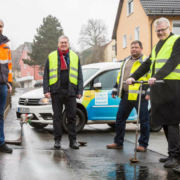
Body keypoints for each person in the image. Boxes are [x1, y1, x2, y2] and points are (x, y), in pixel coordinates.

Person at [126, 17, 180, 168]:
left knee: (172, 122)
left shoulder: (177, 40)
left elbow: (173, 61)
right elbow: (148, 64)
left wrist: (156, 76)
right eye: (158, 31)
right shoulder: (158, 46)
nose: (160, 33)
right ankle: (174, 153)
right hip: (160, 88)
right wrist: (132, 76)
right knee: (165, 122)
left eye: (163, 30)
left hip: (172, 86)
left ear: (169, 28)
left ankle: (174, 155)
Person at [106, 40, 150, 152]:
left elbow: (150, 78)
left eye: (136, 47)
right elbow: (120, 77)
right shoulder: (126, 60)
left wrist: (149, 92)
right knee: (120, 119)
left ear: (141, 48)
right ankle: (118, 142)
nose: (134, 49)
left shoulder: (145, 61)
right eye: (132, 47)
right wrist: (115, 89)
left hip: (140, 96)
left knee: (143, 121)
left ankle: (143, 144)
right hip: (126, 95)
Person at [43, 35, 83, 149]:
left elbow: (80, 75)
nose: (63, 44)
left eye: (65, 42)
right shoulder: (51, 56)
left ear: (68, 44)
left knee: (72, 117)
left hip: (71, 92)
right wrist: (46, 90)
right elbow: (46, 75)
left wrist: (80, 90)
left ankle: (73, 141)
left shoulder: (75, 56)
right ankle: (57, 141)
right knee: (57, 117)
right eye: (61, 42)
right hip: (56, 91)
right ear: (58, 44)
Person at [0, 19, 13, 153]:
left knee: (0, 116)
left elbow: (9, 66)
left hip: (2, 84)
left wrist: (10, 82)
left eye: (1, 26)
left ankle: (1, 142)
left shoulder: (6, 45)